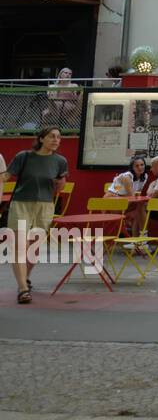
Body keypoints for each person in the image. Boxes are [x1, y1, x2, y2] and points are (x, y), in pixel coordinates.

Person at [2, 127, 69, 304]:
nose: (56, 140)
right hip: (21, 203)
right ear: (41, 139)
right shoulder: (24, 156)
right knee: (19, 247)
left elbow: (59, 187)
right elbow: (6, 176)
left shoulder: (60, 161)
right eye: (51, 136)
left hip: (45, 205)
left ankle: (25, 279)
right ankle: (23, 288)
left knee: (34, 248)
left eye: (58, 137)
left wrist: (59, 183)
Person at [109, 155, 152, 241]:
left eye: (142, 164)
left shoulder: (144, 176)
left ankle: (137, 241)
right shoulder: (127, 177)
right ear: (132, 167)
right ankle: (142, 238)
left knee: (140, 209)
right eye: (137, 165)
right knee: (141, 207)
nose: (140, 167)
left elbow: (136, 195)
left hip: (126, 201)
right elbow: (132, 196)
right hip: (112, 201)